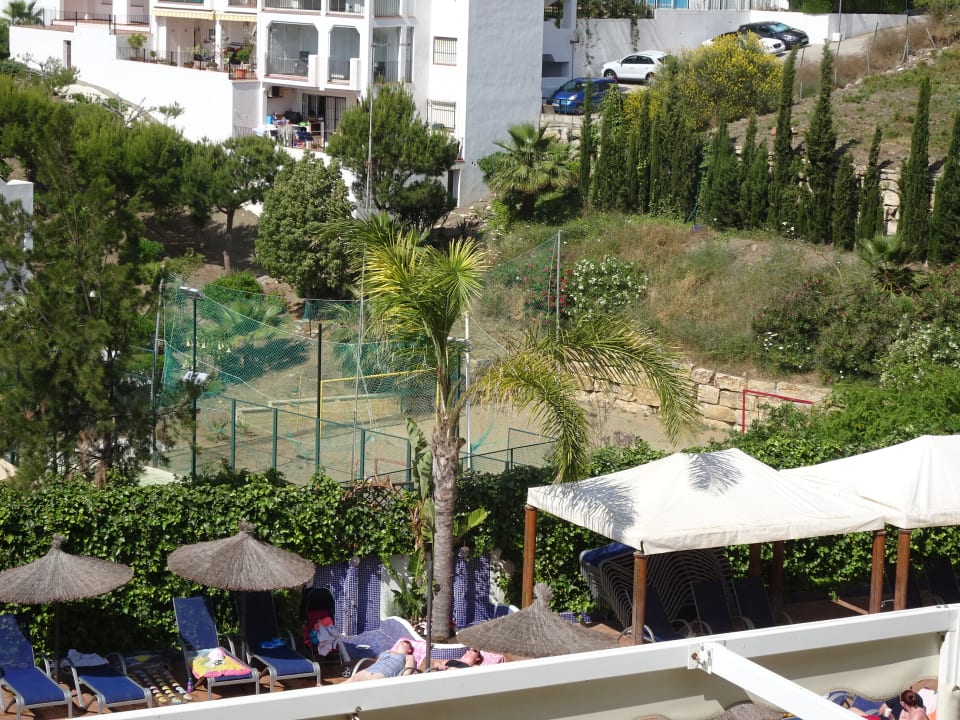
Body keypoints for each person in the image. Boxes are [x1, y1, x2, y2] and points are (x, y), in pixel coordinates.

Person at [343, 640, 416, 683]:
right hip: (371, 669)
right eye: (401, 642)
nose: (402, 642)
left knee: (369, 685)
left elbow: (407, 672)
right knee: (351, 680)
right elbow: (377, 662)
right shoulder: (388, 651)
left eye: (405, 643)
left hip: (385, 673)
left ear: (409, 650)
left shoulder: (409, 656)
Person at [848, 689, 929, 720]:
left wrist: (892, 718)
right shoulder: (916, 705)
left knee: (851, 711)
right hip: (880, 718)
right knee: (852, 710)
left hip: (881, 718)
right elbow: (881, 711)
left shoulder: (915, 717)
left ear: (903, 703)